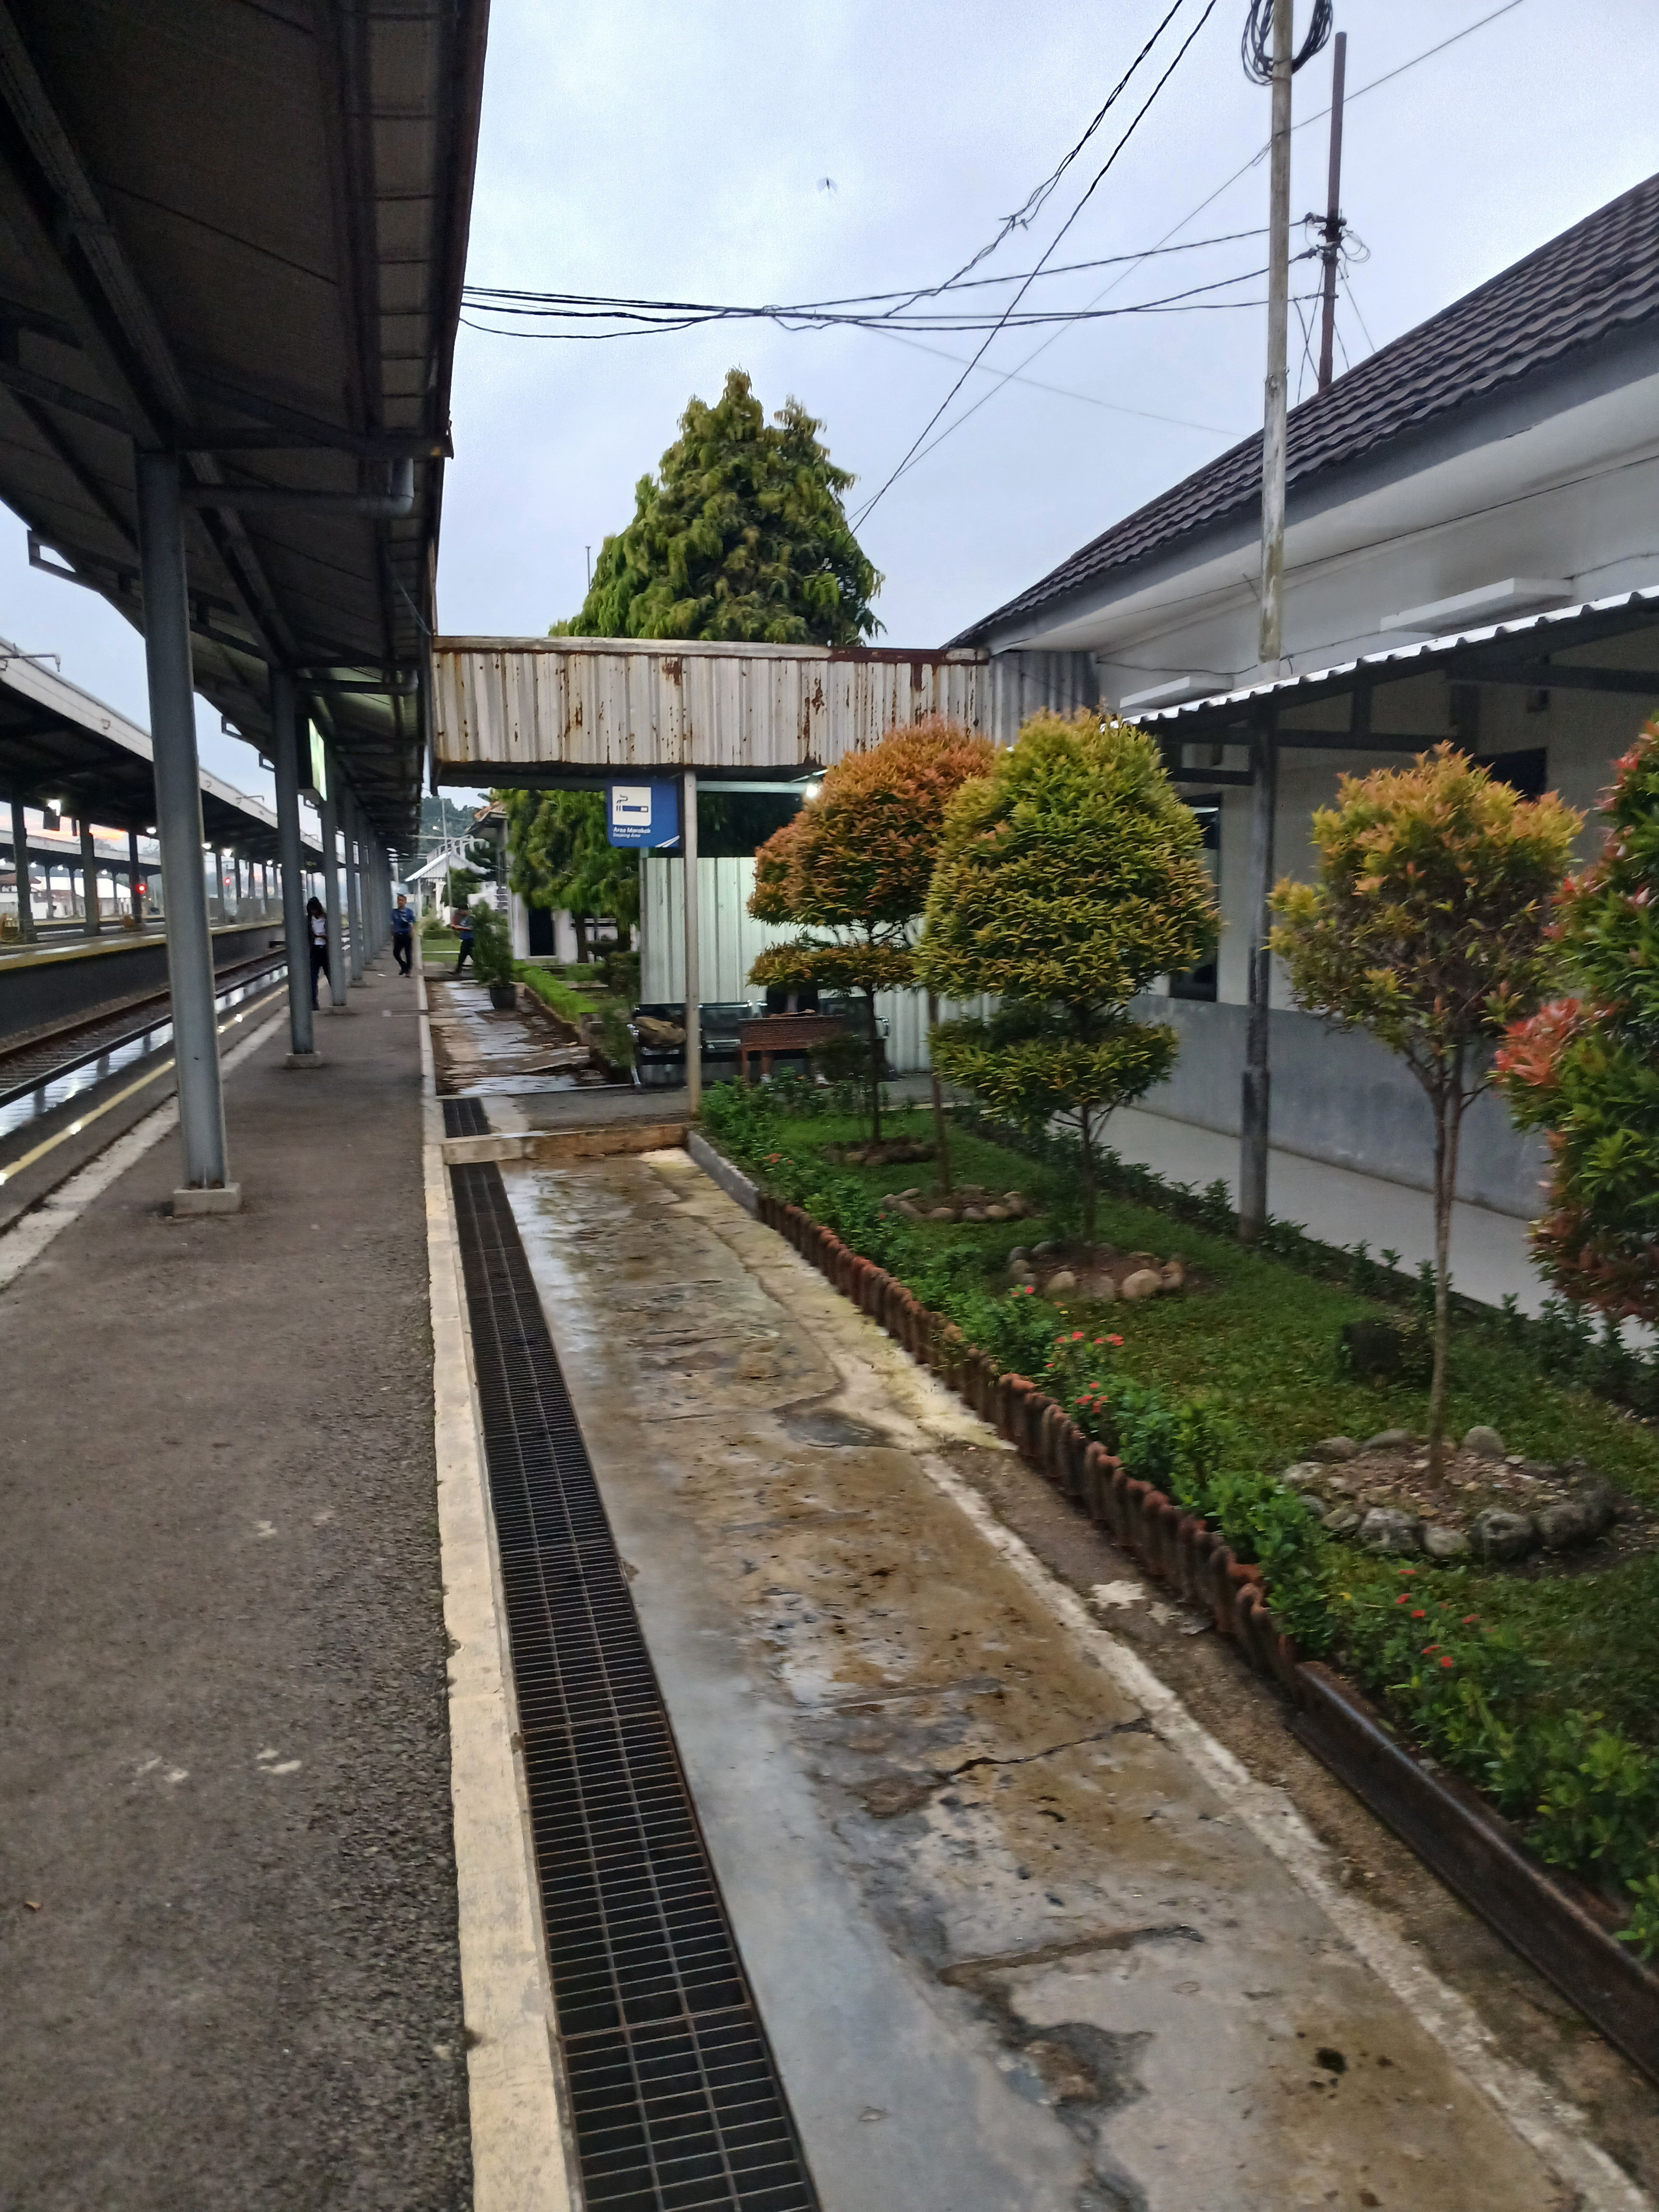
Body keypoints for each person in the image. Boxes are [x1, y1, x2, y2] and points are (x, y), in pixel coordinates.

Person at [305, 895, 330, 1009]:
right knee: (312, 979)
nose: (313, 912)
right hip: (314, 951)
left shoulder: (327, 919)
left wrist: (326, 937)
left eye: (314, 909)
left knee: (331, 976)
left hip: (326, 951)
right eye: (311, 910)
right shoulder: (309, 921)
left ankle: (337, 997)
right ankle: (314, 1004)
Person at [390, 891, 414, 976]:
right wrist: (392, 933)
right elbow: (393, 924)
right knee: (396, 953)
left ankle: (408, 971)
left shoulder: (409, 912)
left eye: (402, 900)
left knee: (408, 954)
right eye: (399, 900)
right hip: (398, 935)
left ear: (405, 902)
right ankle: (403, 965)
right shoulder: (394, 912)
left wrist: (412, 932)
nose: (400, 902)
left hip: (407, 935)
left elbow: (411, 923)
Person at [453, 904, 474, 975]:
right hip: (465, 939)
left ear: (465, 911)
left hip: (470, 939)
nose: (461, 913)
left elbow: (470, 928)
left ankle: (482, 969)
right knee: (463, 955)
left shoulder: (470, 918)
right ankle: (458, 970)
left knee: (471, 955)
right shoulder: (464, 918)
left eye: (461, 911)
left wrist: (459, 928)